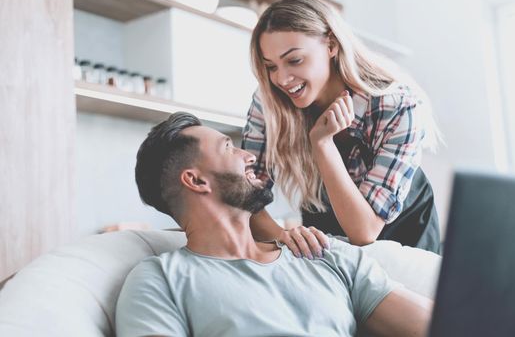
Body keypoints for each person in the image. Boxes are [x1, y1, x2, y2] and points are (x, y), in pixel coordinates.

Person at [116, 112, 433, 337]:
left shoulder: (323, 253)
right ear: (196, 180)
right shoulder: (160, 280)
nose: (248, 156)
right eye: (229, 147)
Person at [242, 0, 442, 255]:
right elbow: (243, 199)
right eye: (271, 66)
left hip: (406, 240)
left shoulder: (397, 107)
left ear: (331, 46)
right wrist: (285, 237)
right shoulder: (269, 101)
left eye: (294, 60)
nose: (281, 78)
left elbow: (364, 231)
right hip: (329, 240)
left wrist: (322, 143)